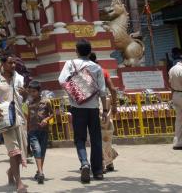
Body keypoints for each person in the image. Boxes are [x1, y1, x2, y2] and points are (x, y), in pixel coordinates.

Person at [58, 39, 106, 183]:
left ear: (77, 51)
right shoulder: (96, 67)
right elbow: (103, 91)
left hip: (77, 107)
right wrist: (105, 110)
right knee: (96, 139)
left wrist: (75, 91)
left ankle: (84, 163)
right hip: (93, 108)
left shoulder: (70, 64)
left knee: (80, 138)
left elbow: (61, 80)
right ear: (90, 52)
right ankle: (97, 172)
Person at [0, 54, 28, 193]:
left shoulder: (19, 79)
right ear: (3, 64)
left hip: (20, 119)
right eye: (10, 63)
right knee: (14, 152)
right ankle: (19, 183)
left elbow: (24, 98)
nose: (13, 65)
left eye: (14, 63)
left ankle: (11, 172)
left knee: (23, 151)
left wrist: (26, 94)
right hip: (6, 120)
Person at [89, 52, 119, 172]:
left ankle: (102, 162)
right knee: (106, 134)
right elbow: (112, 89)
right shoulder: (103, 71)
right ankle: (109, 162)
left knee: (94, 135)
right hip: (105, 104)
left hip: (92, 105)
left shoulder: (85, 72)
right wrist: (115, 105)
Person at [26, 80, 52, 185]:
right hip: (33, 132)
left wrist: (46, 120)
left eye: (34, 92)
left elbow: (52, 114)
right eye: (30, 92)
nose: (32, 94)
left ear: (38, 91)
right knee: (37, 150)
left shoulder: (46, 102)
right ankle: (41, 173)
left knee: (42, 152)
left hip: (44, 131)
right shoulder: (29, 104)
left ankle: (38, 171)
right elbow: (28, 118)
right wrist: (27, 132)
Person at [170, 53, 182, 150]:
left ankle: (177, 142)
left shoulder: (172, 69)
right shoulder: (181, 70)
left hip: (175, 95)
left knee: (179, 120)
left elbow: (170, 84)